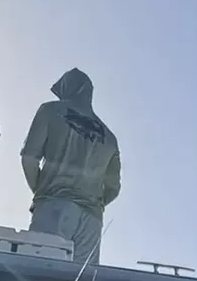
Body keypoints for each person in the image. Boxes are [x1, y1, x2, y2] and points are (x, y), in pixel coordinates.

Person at [20, 68, 121, 264]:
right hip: (92, 221)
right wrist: (92, 202)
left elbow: (29, 159)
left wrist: (41, 191)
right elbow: (113, 189)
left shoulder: (50, 110)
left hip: (53, 206)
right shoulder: (110, 139)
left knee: (40, 276)